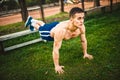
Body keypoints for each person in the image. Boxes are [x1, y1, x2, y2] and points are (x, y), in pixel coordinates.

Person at [25, 7, 93, 74]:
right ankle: (32, 23)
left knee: (44, 25)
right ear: (71, 19)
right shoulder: (61, 30)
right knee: (40, 28)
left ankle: (33, 20)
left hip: (57, 24)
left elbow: (83, 40)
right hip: (49, 33)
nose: (82, 21)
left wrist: (85, 53)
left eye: (83, 18)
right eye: (79, 18)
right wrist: (57, 66)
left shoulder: (81, 27)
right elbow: (56, 49)